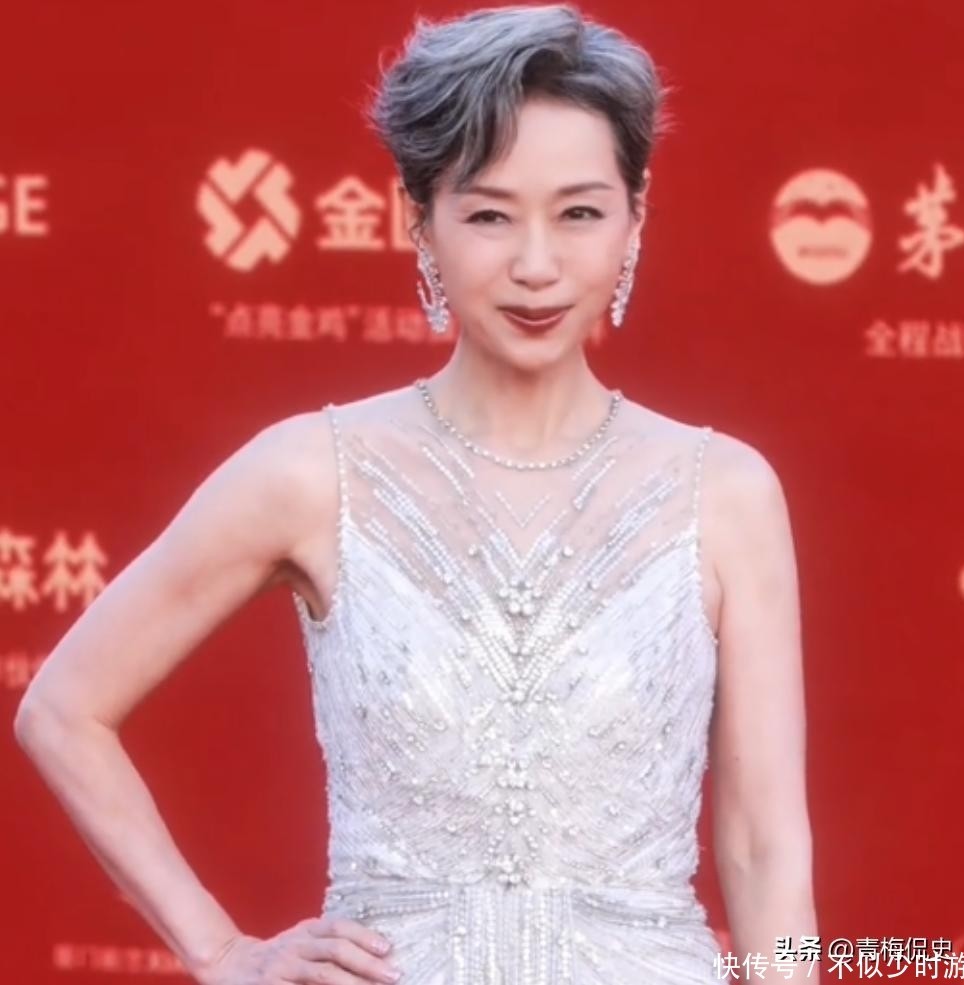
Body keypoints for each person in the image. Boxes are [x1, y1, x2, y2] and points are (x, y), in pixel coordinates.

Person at [14, 3, 818, 984]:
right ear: (419, 222)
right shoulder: (313, 472)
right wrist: (221, 951)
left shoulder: (723, 492)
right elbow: (63, 709)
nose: (534, 265)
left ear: (634, 218)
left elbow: (763, 848)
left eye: (578, 213)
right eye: (487, 215)